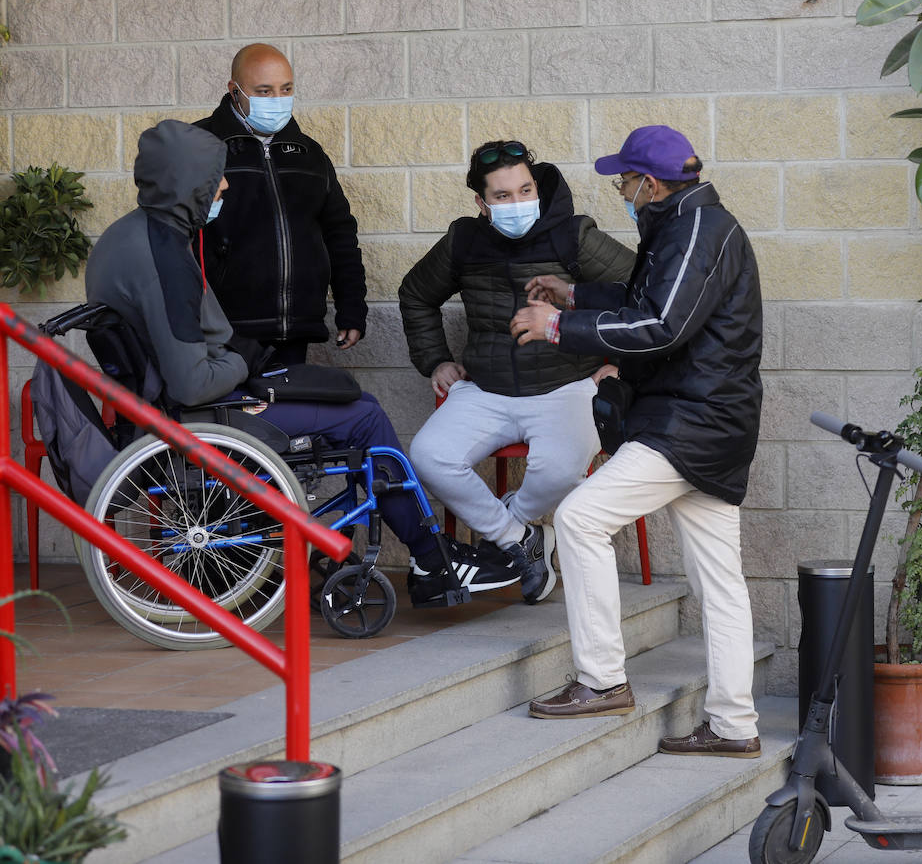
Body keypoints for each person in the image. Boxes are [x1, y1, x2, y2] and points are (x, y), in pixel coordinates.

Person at [86, 119, 445, 581]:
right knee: (364, 416)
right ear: (189, 181)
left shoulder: (132, 235)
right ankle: (431, 558)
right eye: (217, 174)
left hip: (172, 404)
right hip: (200, 414)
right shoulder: (162, 259)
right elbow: (192, 384)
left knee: (355, 401)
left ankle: (399, 551)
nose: (226, 184)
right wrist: (244, 359)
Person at [510, 126, 764, 758]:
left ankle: (601, 679)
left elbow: (661, 324)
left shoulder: (697, 231)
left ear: (650, 184)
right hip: (709, 424)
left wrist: (560, 325)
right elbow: (649, 299)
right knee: (721, 586)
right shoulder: (689, 224)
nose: (621, 191)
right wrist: (577, 294)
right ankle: (735, 727)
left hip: (690, 425)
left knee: (579, 518)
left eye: (624, 181)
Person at [399, 140, 636, 605]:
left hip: (567, 388)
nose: (517, 203)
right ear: (481, 203)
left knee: (560, 471)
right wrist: (437, 360)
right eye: (503, 196)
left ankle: (506, 539)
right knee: (428, 455)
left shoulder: (573, 236)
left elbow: (642, 293)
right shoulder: (463, 241)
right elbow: (415, 294)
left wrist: (617, 364)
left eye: (525, 190)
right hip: (486, 390)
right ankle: (523, 542)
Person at [194, 43, 366, 366]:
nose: (277, 100)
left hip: (295, 333)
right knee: (231, 418)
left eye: (285, 89)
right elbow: (174, 236)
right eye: (264, 91)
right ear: (235, 91)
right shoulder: (200, 146)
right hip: (223, 337)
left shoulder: (309, 154)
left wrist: (352, 307)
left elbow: (339, 234)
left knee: (286, 417)